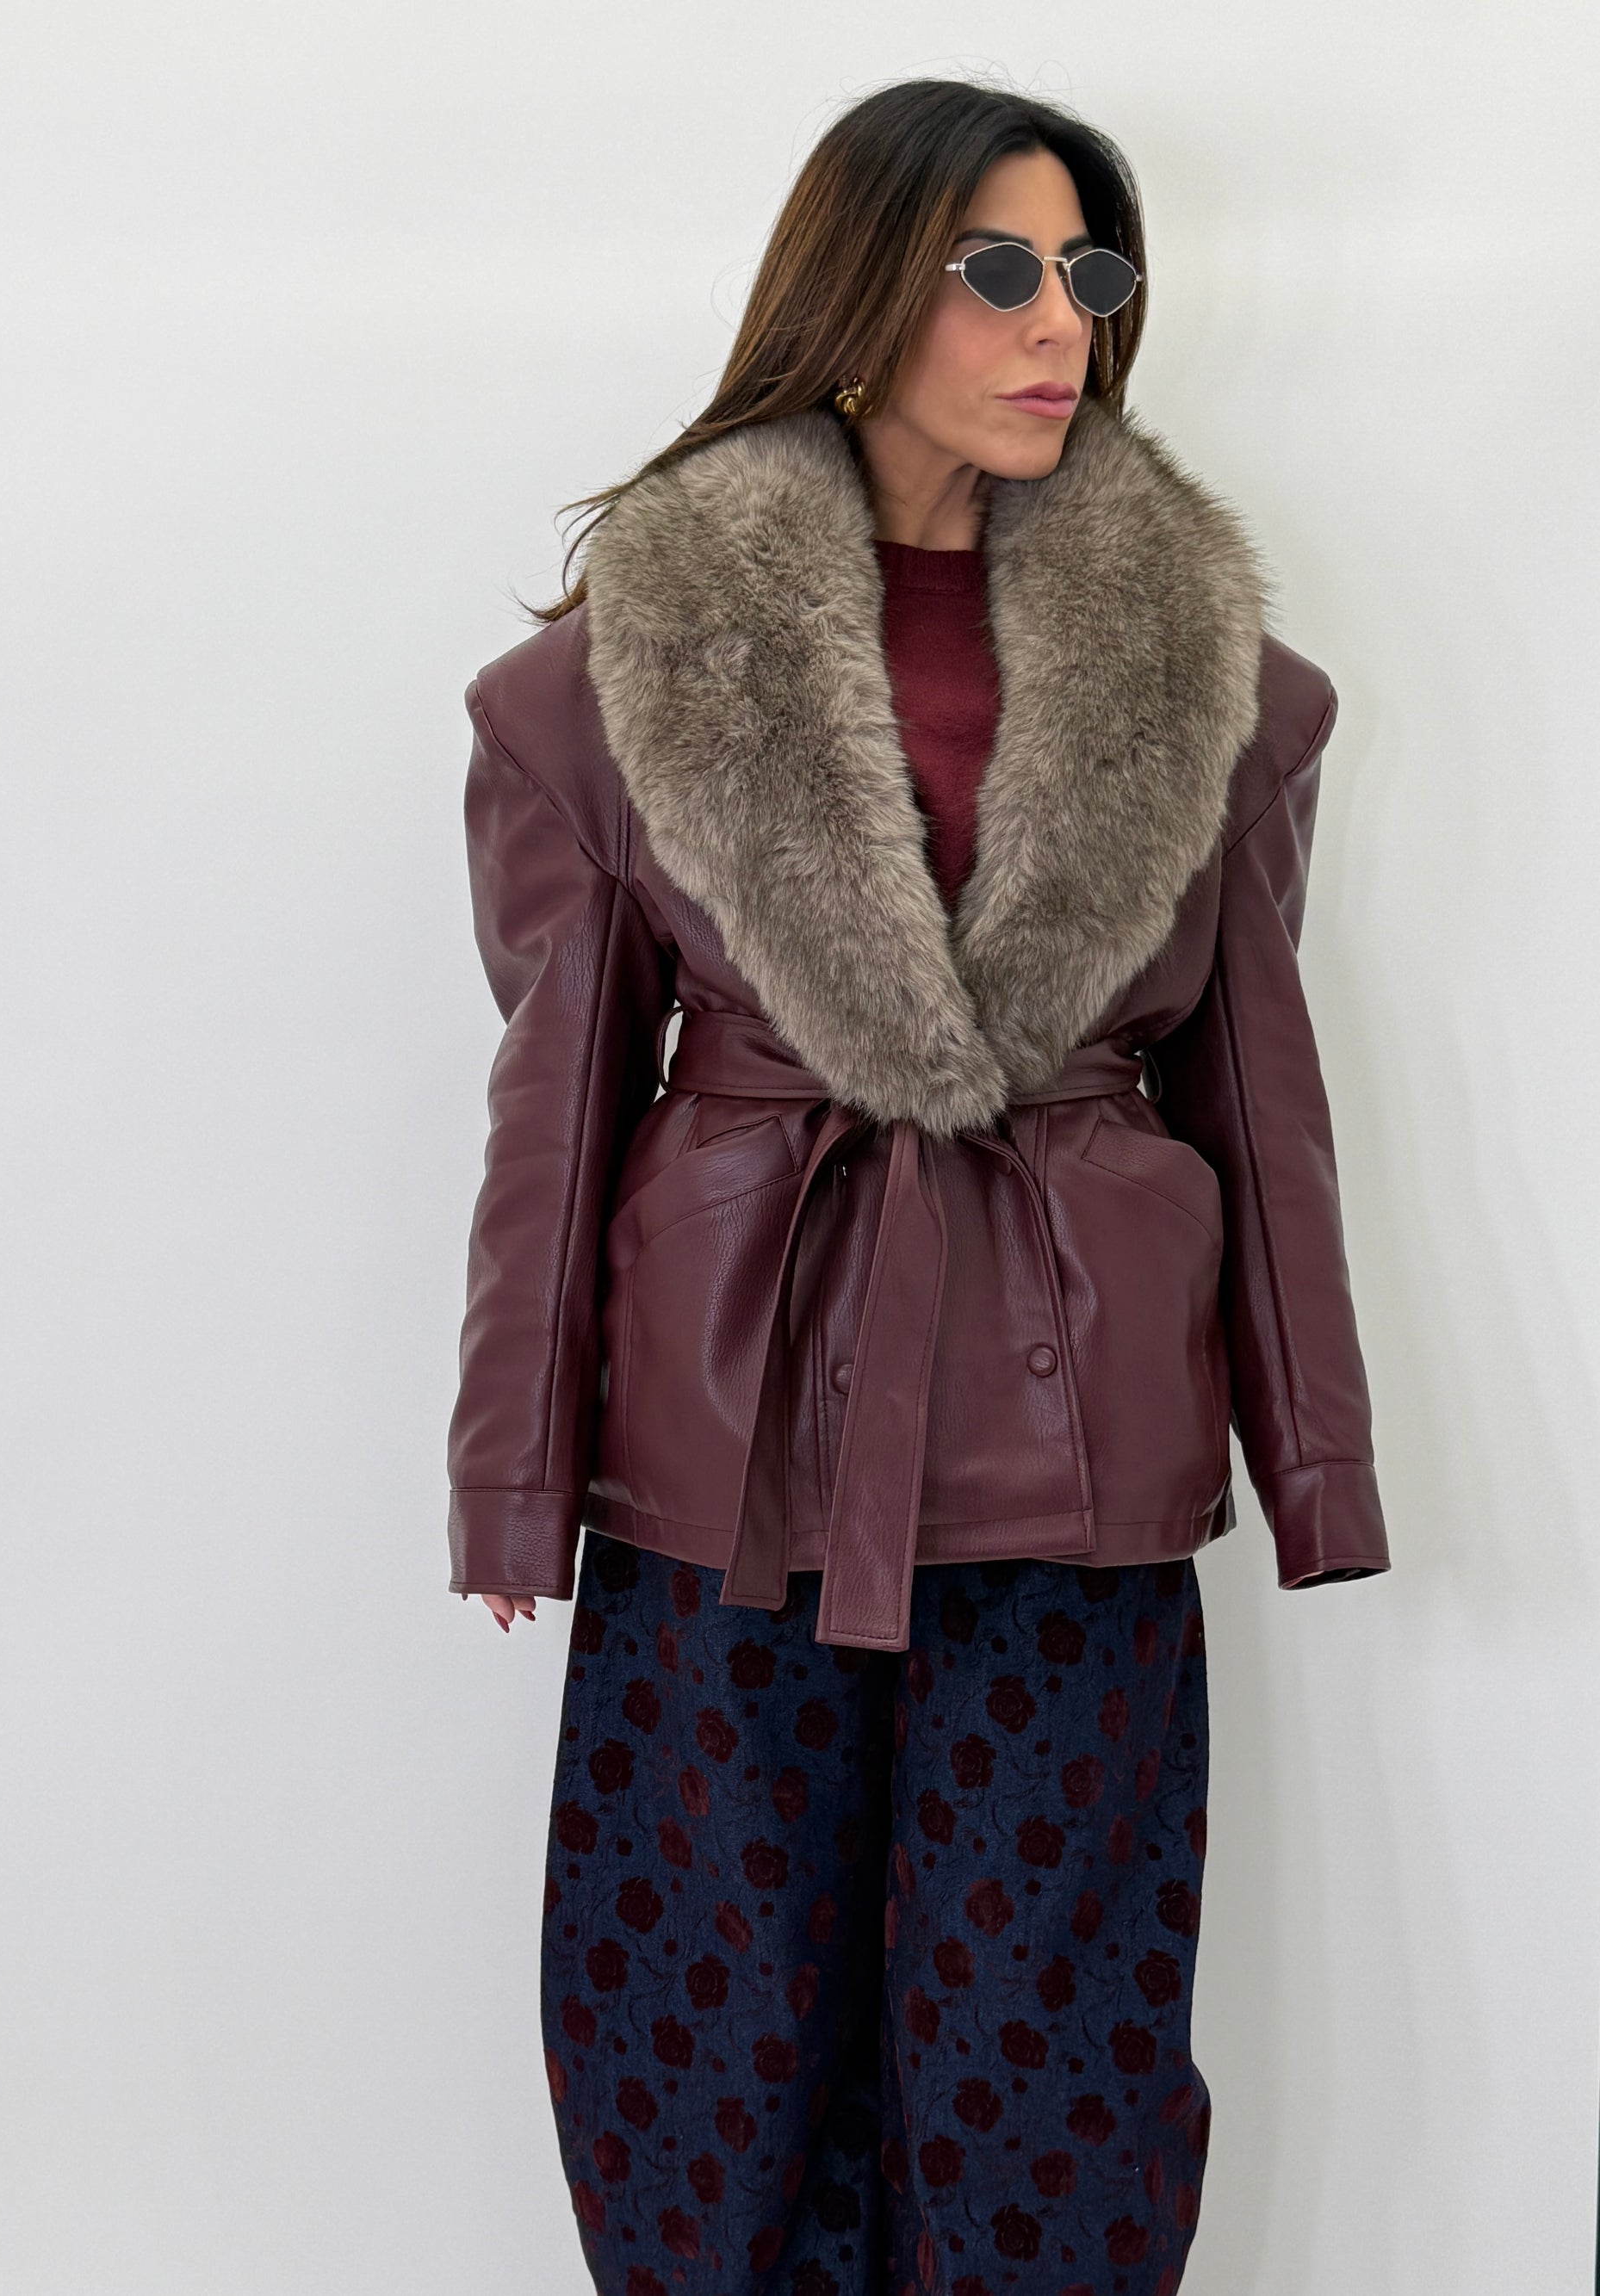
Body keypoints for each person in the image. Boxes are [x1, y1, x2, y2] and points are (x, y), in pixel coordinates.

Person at [443, 75, 1389, 2296]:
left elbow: (1263, 1097)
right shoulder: (600, 693)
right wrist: (513, 1480)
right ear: (859, 297)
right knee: (702, 2045)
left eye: (1092, 272)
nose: (1065, 321)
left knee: (1052, 2048)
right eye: (1002, 270)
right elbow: (555, 1106)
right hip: (726, 1446)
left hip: (1081, 1458)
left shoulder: (1222, 693)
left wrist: (1316, 1462)